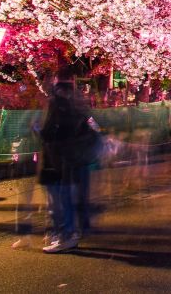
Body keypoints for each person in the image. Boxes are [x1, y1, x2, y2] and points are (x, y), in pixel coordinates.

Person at [38, 67, 99, 253]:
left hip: (61, 157)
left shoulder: (58, 105)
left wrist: (38, 131)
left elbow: (49, 132)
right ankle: (75, 230)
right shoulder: (78, 106)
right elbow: (93, 127)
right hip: (75, 158)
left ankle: (67, 235)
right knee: (70, 197)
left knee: (62, 198)